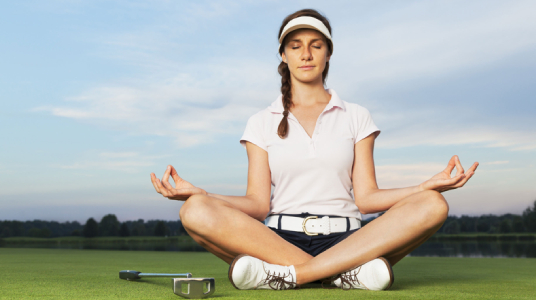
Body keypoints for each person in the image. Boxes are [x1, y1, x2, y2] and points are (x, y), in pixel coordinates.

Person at [150, 8, 478, 291]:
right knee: (194, 210)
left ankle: (292, 276)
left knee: (433, 204)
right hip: (278, 241)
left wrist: (422, 188)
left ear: (328, 53)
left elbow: (366, 199)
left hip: (349, 239)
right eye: (296, 46)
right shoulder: (260, 121)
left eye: (315, 45)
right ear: (283, 54)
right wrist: (203, 194)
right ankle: (343, 275)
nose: (306, 54)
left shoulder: (356, 115)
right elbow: (257, 204)